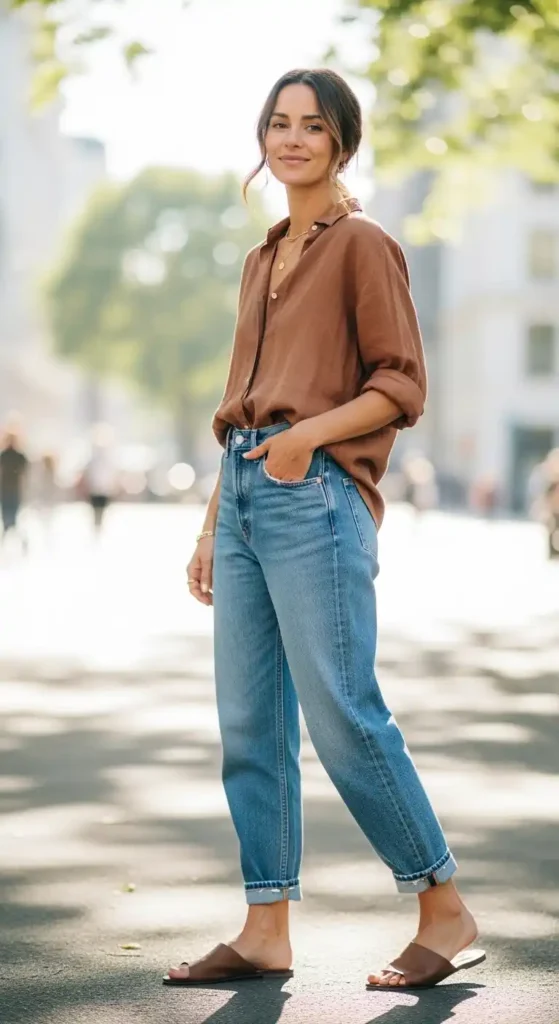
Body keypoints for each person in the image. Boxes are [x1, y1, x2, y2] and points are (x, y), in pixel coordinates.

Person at [166, 68, 485, 992]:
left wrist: (305, 437)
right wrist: (211, 522)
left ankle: (442, 906)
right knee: (249, 724)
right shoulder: (262, 258)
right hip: (247, 494)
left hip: (316, 498)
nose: (291, 138)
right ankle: (266, 926)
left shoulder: (364, 245)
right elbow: (240, 411)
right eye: (277, 123)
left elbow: (399, 385)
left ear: (342, 140)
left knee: (343, 713)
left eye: (311, 125)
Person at [81, 424, 118, 533]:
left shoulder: (107, 459)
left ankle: (99, 525)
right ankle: (97, 525)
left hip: (103, 488)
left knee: (101, 509)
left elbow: (110, 474)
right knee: (95, 509)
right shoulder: (93, 459)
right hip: (95, 488)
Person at [0, 427, 29, 551]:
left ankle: (21, 542)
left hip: (14, 491)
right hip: (5, 491)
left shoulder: (19, 456)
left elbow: (25, 473)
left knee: (12, 520)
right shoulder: (4, 455)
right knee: (7, 519)